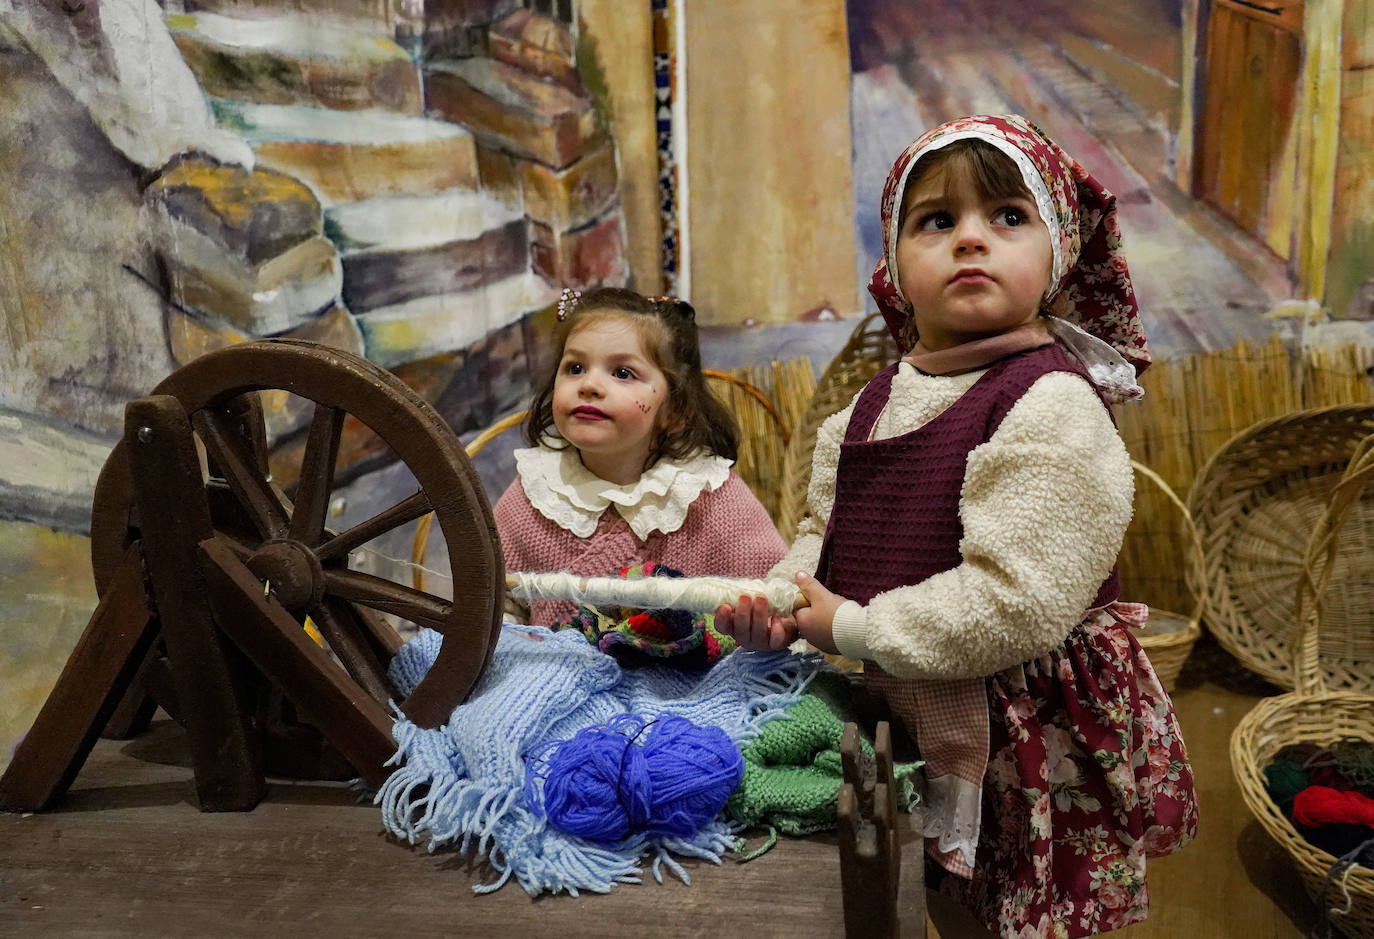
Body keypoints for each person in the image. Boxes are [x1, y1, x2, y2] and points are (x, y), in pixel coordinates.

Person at [717, 115, 1197, 938]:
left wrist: (855, 624)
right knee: (923, 891)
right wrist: (783, 600)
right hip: (897, 690)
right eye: (937, 221)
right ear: (894, 264)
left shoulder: (1051, 402)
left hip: (1020, 726)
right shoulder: (870, 404)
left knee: (1014, 915)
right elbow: (820, 535)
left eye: (1008, 217)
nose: (971, 239)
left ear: (1057, 251)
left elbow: (1016, 602)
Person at [495, 286, 787, 626]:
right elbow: (492, 605)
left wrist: (764, 628)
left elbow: (776, 598)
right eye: (575, 367)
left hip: (687, 673)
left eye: (622, 373)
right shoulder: (535, 492)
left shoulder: (710, 499)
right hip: (555, 673)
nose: (589, 384)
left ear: (674, 410)